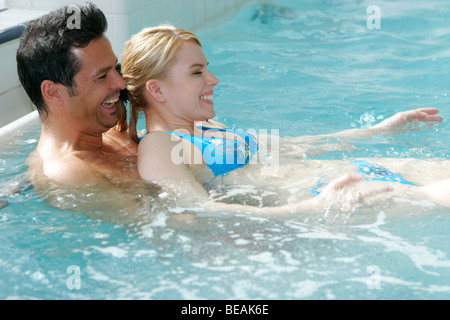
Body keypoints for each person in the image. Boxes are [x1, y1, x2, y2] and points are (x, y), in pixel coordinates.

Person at [118, 25, 448, 215]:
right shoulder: (159, 146)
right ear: (156, 89)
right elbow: (199, 210)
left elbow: (292, 148)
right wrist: (316, 206)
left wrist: (376, 130)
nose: (214, 80)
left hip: (358, 171)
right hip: (338, 194)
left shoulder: (208, 129)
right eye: (197, 73)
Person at [15, 4, 159, 224]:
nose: (120, 83)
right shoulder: (68, 172)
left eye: (115, 68)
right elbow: (158, 226)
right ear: (53, 92)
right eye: (102, 77)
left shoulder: (115, 132)